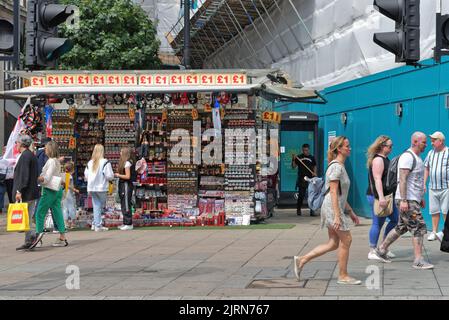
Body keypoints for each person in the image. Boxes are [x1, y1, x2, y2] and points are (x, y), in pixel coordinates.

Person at [293, 136, 361, 285]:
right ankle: (343, 275)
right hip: (332, 208)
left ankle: (301, 260)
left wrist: (350, 212)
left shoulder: (339, 166)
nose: (350, 148)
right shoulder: (336, 167)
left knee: (333, 243)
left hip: (332, 206)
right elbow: (333, 192)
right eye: (347, 146)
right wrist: (337, 215)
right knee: (347, 239)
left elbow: (341, 194)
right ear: (339, 149)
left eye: (349, 146)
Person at [372, 132, 433, 269]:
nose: (426, 145)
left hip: (413, 199)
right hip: (407, 200)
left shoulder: (417, 158)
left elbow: (415, 181)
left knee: (402, 226)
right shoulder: (408, 157)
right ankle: (418, 260)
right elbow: (403, 179)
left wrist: (420, 198)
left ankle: (381, 250)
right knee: (418, 227)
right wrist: (404, 200)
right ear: (415, 142)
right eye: (424, 142)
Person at [28, 141, 68, 249]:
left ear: (50, 149)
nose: (44, 150)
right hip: (57, 189)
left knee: (40, 213)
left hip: (49, 190)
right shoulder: (56, 161)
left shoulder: (51, 161)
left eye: (46, 148)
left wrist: (35, 179)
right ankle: (62, 237)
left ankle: (38, 237)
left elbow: (47, 178)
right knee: (57, 212)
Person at [366, 136, 399, 261]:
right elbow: (377, 179)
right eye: (389, 146)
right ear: (381, 146)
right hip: (377, 196)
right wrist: (381, 198)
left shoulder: (385, 158)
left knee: (395, 220)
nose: (391, 148)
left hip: (387, 196)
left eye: (392, 146)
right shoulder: (378, 160)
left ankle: (383, 247)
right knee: (377, 223)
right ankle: (372, 250)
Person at [12, 135, 40, 251]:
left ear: (21, 144)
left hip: (26, 192)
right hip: (32, 191)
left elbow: (24, 175)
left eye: (17, 143)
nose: (16, 145)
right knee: (28, 216)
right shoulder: (31, 156)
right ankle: (29, 239)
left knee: (26, 217)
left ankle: (32, 236)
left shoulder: (24, 156)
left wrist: (19, 191)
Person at [424, 131, 448, 242]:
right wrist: (424, 183)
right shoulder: (430, 153)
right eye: (431, 140)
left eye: (434, 140)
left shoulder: (448, 152)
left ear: (441, 141)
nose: (431, 143)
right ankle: (434, 232)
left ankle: (446, 233)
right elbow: (426, 168)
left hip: (446, 187)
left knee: (446, 211)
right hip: (433, 187)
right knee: (434, 211)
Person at [84, 144, 114, 232]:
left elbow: (86, 175)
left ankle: (95, 223)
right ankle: (97, 225)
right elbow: (109, 176)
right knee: (99, 206)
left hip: (92, 187)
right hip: (101, 187)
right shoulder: (105, 162)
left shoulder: (90, 162)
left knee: (96, 205)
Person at [292, 144, 317, 216]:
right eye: (303, 150)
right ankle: (298, 209)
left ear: (309, 150)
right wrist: (293, 159)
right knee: (301, 195)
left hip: (310, 179)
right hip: (302, 178)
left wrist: (314, 173)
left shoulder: (312, 157)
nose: (305, 151)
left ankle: (312, 211)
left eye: (306, 150)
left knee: (311, 195)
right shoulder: (299, 157)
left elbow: (314, 166)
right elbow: (294, 166)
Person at [115, 147, 135, 231]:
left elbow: (128, 176)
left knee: (126, 203)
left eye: (121, 151)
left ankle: (128, 223)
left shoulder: (127, 163)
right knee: (123, 203)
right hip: (123, 184)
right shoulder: (126, 163)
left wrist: (118, 175)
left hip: (126, 184)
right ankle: (125, 222)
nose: (119, 153)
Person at [62, 161, 79, 229]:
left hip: (64, 193)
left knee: (65, 208)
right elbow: (68, 185)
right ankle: (72, 222)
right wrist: (74, 189)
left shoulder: (63, 175)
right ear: (72, 170)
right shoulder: (69, 176)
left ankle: (66, 222)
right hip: (69, 193)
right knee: (72, 207)